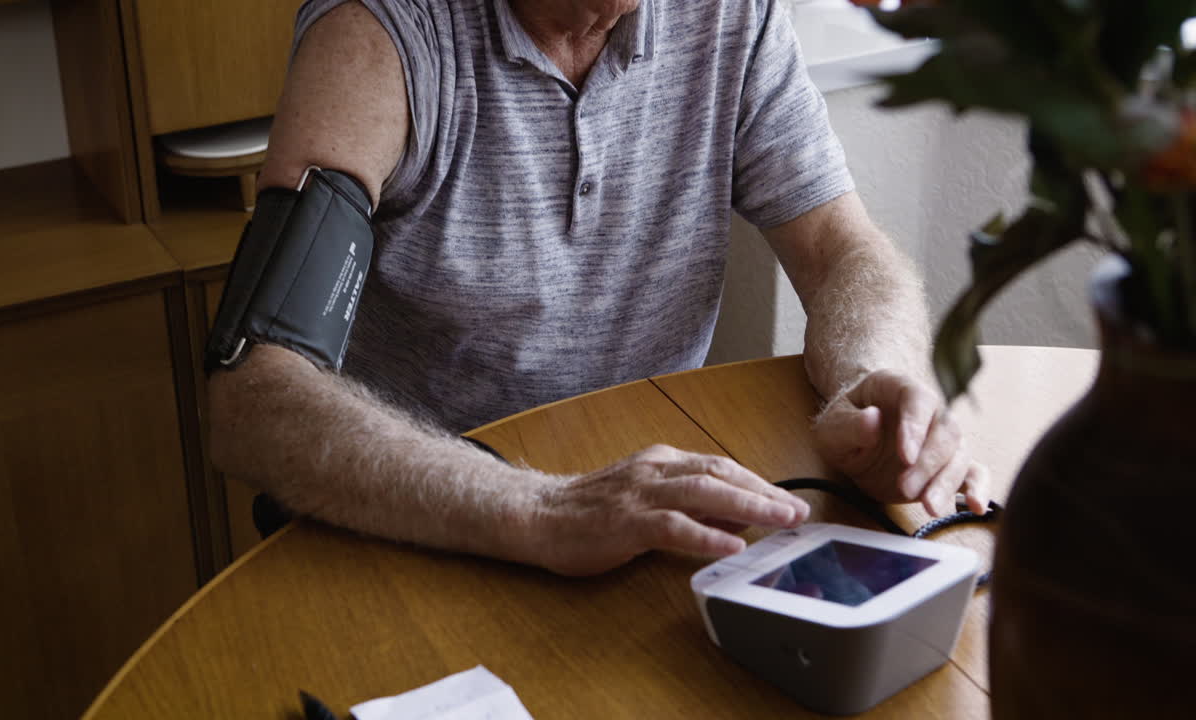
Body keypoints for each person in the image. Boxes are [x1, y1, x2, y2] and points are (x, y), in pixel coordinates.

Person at [208, 0, 990, 577]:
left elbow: (839, 249)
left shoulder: (729, 17)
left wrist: (875, 377)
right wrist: (542, 510)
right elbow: (253, 394)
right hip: (423, 522)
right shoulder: (380, 33)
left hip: (640, 512)